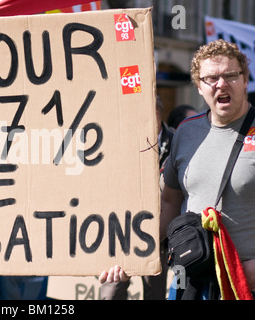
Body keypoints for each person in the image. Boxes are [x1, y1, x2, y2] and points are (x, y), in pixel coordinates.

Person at [100, 39, 255, 300]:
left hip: (244, 283)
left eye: (230, 75)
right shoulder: (186, 131)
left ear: (245, 79)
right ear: (198, 86)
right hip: (191, 279)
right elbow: (170, 201)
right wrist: (133, 254)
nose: (221, 84)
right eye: (211, 78)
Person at [99, 97, 173, 300]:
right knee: (112, 291)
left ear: (155, 115)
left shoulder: (177, 142)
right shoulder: (119, 139)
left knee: (155, 293)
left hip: (159, 237)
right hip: (120, 231)